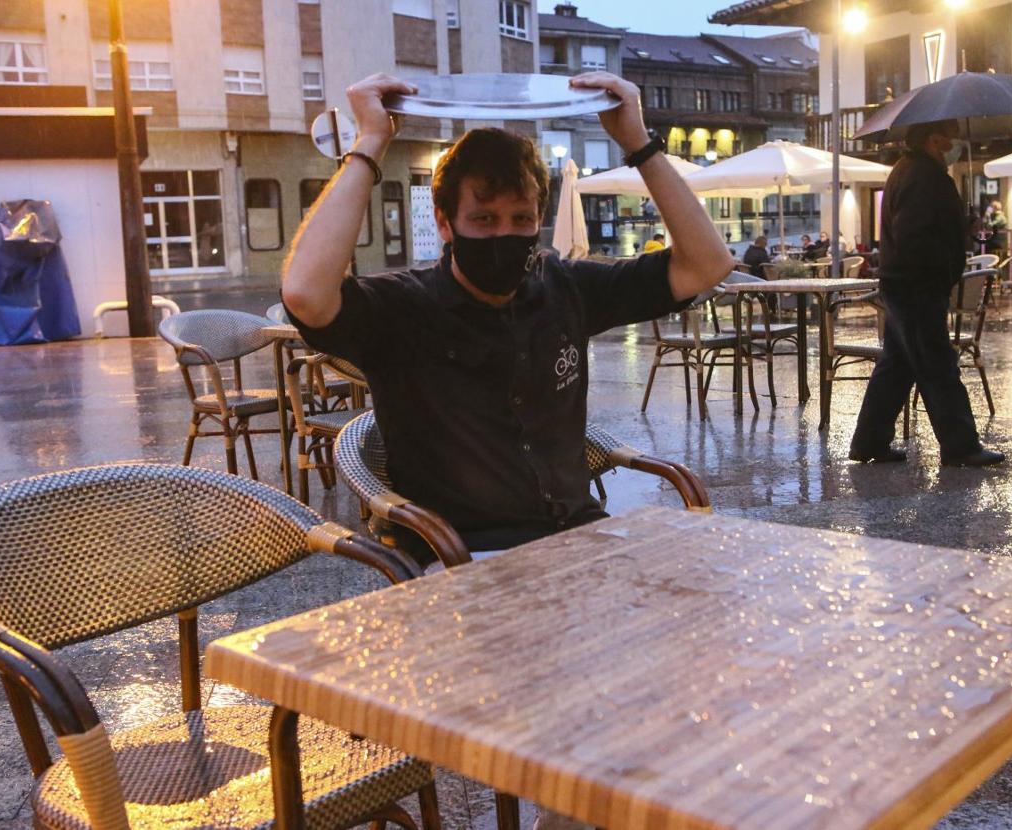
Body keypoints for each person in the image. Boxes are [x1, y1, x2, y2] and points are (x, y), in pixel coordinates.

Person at [281, 73, 732, 551]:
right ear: (445, 223)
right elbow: (306, 293)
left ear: (539, 219)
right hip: (460, 557)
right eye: (483, 219)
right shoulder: (402, 308)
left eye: (521, 219)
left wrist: (638, 144)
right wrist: (371, 141)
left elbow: (707, 265)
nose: (504, 235)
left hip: (579, 541)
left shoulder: (566, 288)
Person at [849, 119, 1004, 468]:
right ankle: (961, 445)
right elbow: (916, 235)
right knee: (938, 365)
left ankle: (869, 441)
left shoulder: (909, 171)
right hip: (917, 286)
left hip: (904, 284)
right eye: (951, 138)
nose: (955, 145)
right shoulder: (924, 176)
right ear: (935, 140)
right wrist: (940, 270)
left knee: (897, 365)